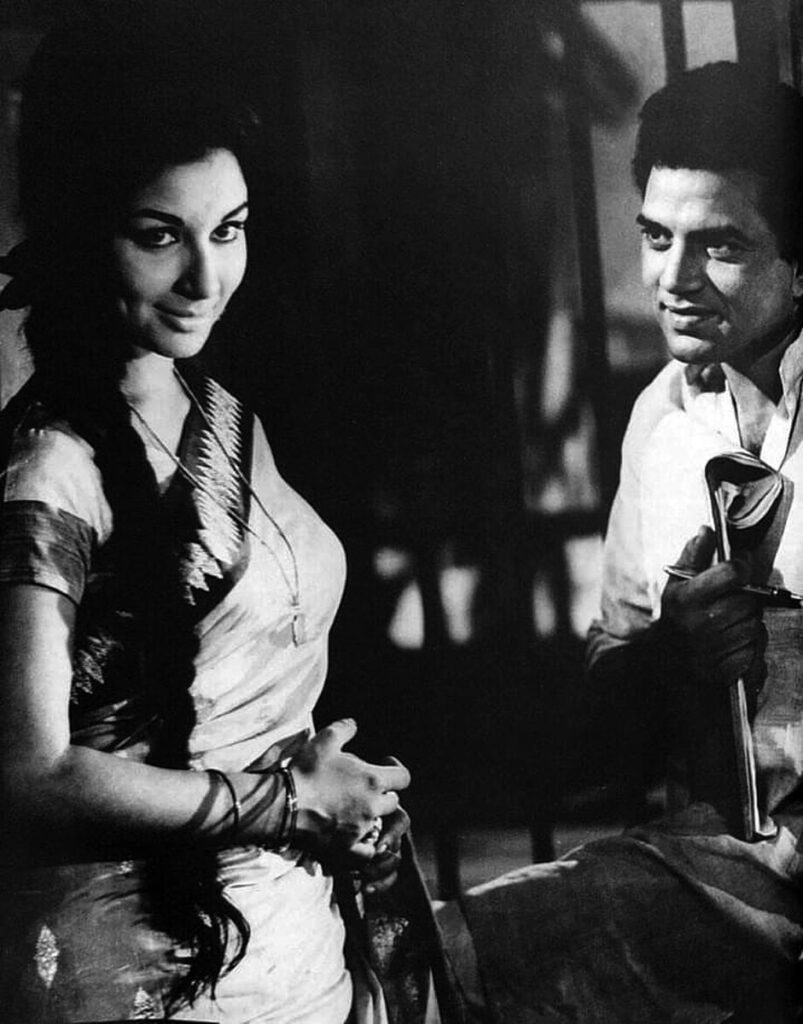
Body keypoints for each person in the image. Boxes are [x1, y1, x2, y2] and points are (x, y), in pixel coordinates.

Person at [0, 6, 457, 1022]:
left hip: (284, 930)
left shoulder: (214, 409)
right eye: (159, 236)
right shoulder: (51, 469)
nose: (206, 279)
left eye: (229, 230)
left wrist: (321, 791)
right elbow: (28, 773)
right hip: (139, 964)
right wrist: (288, 801)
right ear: (79, 232)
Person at [440, 62, 803, 1023]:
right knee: (441, 959)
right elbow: (609, 684)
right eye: (655, 237)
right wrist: (674, 654)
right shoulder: (659, 419)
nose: (671, 280)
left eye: (720, 245)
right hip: (723, 866)